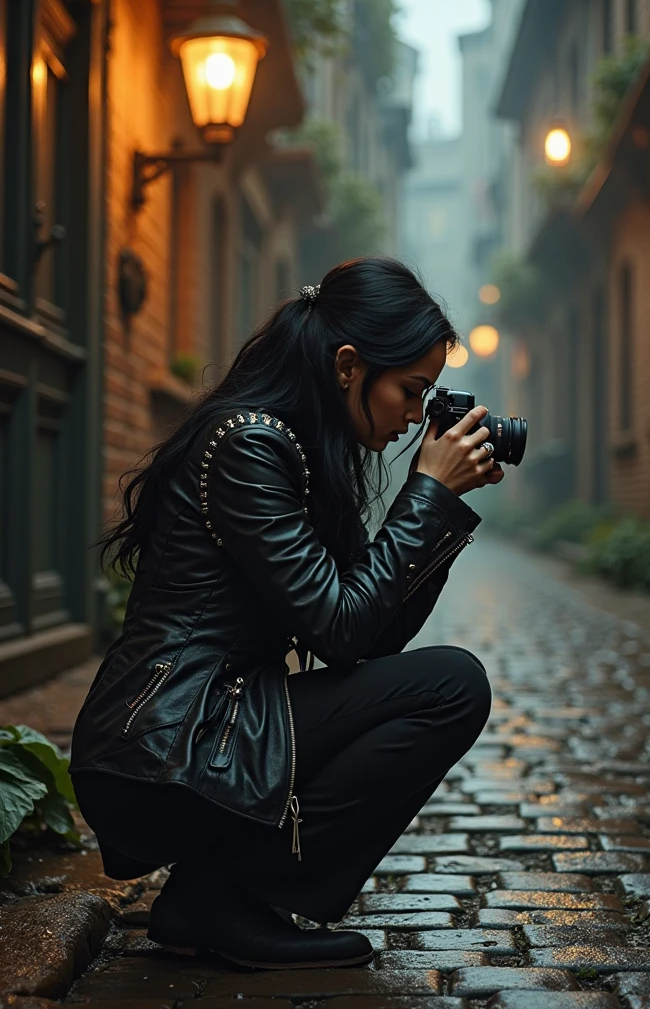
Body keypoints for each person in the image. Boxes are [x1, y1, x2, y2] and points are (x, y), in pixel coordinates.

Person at [69, 256, 501, 971]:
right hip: (162, 748)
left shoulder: (302, 448)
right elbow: (341, 627)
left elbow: (369, 637)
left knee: (446, 684)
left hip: (212, 728)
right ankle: (224, 897)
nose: (416, 416)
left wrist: (440, 504)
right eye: (411, 390)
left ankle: (215, 896)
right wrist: (426, 495)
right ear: (348, 365)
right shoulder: (250, 445)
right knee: (451, 686)